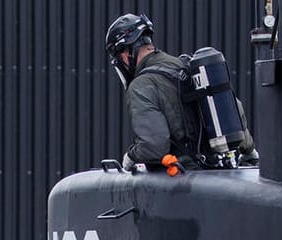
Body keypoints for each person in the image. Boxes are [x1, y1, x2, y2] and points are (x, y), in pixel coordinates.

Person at [105, 13, 257, 171]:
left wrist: (130, 156)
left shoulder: (141, 86)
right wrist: (249, 150)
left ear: (125, 52)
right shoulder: (186, 67)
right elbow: (228, 109)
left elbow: (155, 146)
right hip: (215, 171)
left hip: (182, 182)